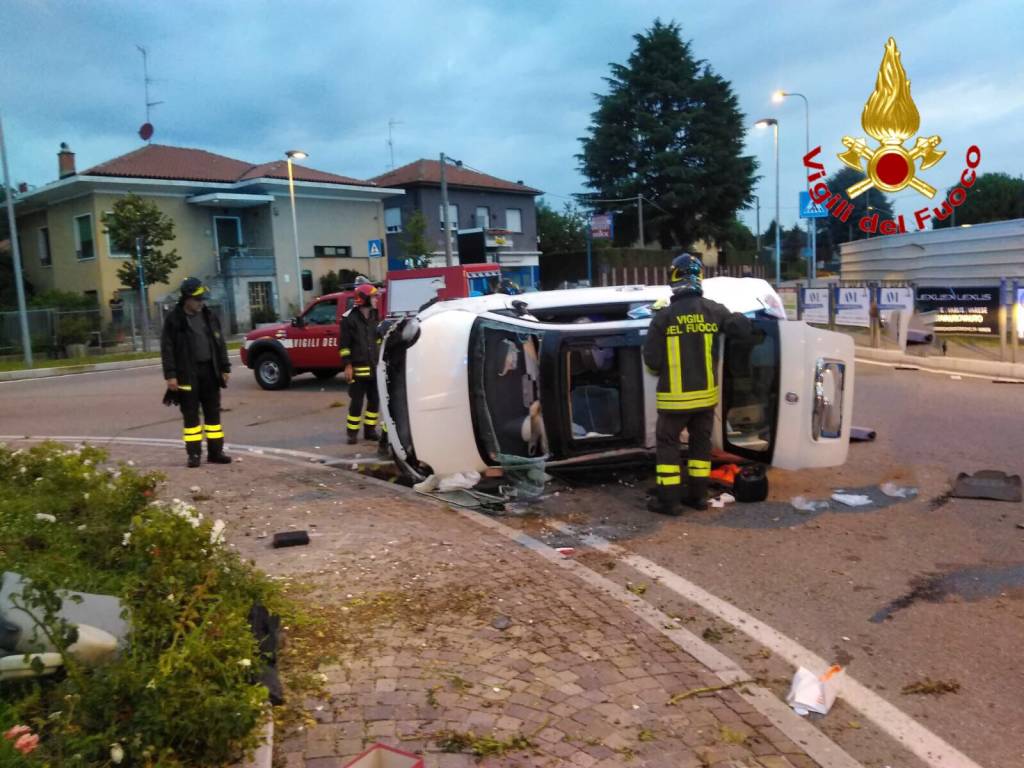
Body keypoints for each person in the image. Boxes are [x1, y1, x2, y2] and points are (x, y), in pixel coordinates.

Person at [642, 253, 757, 515]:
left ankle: (668, 501)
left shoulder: (663, 317)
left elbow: (651, 361)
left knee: (668, 446)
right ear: (699, 277)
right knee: (700, 446)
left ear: (673, 278)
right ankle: (697, 497)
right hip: (706, 399)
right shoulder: (713, 310)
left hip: (674, 401)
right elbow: (740, 329)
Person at [161, 277, 232, 468]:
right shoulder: (174, 320)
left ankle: (216, 452)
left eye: (202, 299)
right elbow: (167, 349)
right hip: (186, 374)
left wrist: (224, 367)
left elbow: (220, 342)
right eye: (197, 299)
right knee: (191, 416)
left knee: (213, 416)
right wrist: (171, 375)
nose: (201, 302)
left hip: (209, 371)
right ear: (187, 299)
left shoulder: (209, 316)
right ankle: (193, 455)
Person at [339, 283, 381, 445]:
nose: (376, 299)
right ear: (364, 299)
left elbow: (376, 339)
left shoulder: (374, 316)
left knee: (374, 400)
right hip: (357, 369)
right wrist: (347, 365)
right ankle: (352, 433)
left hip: (374, 366)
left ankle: (370, 431)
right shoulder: (349, 319)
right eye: (373, 296)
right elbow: (344, 346)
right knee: (356, 402)